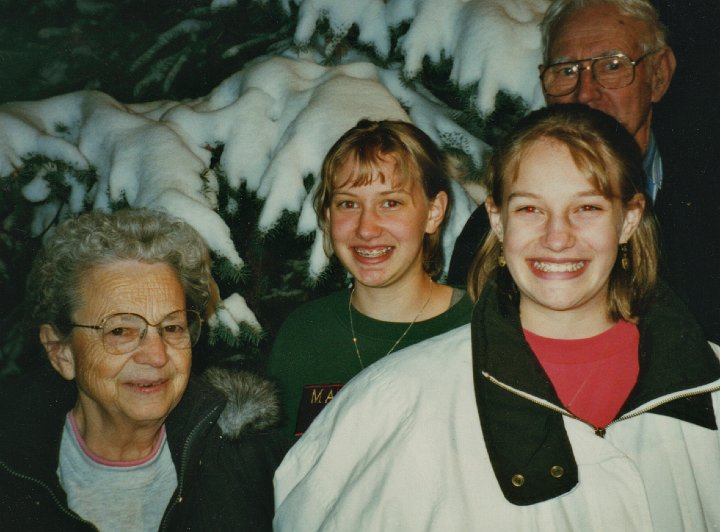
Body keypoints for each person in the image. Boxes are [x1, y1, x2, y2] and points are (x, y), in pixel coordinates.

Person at [273, 105, 720, 530]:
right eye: (530, 208)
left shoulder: (709, 385)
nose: (557, 237)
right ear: (498, 220)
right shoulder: (392, 401)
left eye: (587, 207)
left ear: (628, 220)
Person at [447, 0, 720, 342]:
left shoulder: (708, 199)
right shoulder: (496, 229)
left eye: (611, 65)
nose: (586, 92)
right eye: (566, 71)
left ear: (659, 75)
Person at [0, 209, 287, 531]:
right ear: (60, 351)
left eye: (173, 327)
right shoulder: (10, 466)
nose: (156, 355)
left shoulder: (250, 460)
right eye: (120, 331)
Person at [267, 119, 473, 438]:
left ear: (433, 212)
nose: (366, 228)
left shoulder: (476, 328)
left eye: (390, 203)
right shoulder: (304, 333)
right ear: (327, 214)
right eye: (348, 204)